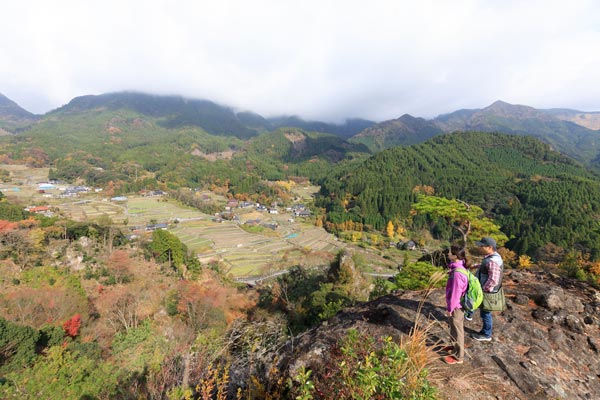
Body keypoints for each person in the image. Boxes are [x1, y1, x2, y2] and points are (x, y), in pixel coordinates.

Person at [471, 237, 504, 342]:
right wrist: (475, 266)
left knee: (486, 313)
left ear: (489, 247)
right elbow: (485, 266)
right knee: (484, 312)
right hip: (487, 290)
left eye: (482, 246)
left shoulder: (493, 260)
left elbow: (494, 279)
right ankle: (485, 331)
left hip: (487, 291)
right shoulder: (493, 257)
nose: (480, 248)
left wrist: (483, 289)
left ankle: (486, 335)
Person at [442, 244, 469, 364]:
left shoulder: (458, 273)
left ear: (455, 255)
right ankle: (453, 347)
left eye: (449, 253)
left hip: (457, 306)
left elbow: (456, 293)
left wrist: (450, 308)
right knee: (453, 326)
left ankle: (459, 357)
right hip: (458, 305)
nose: (448, 254)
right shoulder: (457, 267)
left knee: (458, 329)